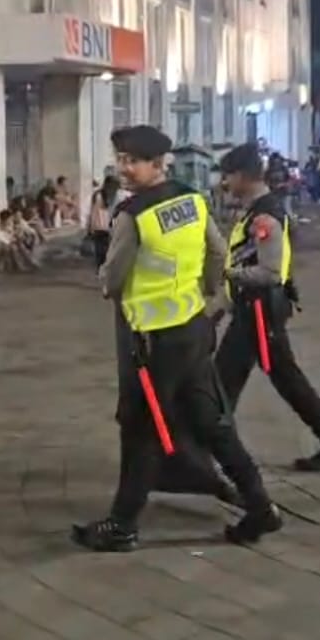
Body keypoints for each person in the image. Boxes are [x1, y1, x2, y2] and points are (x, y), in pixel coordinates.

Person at [72, 125, 281, 552]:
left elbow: (112, 280)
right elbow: (218, 254)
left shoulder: (133, 215)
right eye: (121, 159)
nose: (124, 168)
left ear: (156, 164)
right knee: (214, 423)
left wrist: (109, 280)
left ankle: (122, 525)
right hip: (193, 329)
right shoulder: (193, 200)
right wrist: (208, 299)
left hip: (151, 340)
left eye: (133, 161)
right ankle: (260, 506)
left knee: (141, 428)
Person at [215, 142, 320, 472]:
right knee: (237, 378)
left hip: (259, 311)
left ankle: (213, 452)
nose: (224, 183)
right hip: (254, 310)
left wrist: (228, 274)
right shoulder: (258, 210)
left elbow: (270, 272)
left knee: (238, 379)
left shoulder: (264, 217)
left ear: (243, 176)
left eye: (228, 176)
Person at [87, 173, 118, 272]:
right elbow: (95, 212)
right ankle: (102, 271)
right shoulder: (104, 195)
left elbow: (93, 212)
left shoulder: (103, 195)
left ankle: (102, 271)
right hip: (104, 227)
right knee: (104, 252)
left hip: (103, 227)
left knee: (102, 253)